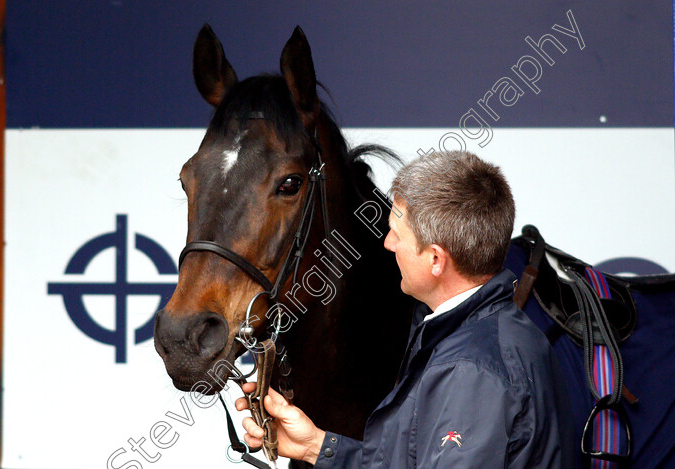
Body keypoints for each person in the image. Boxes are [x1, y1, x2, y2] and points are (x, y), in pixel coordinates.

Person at [235, 150, 573, 468]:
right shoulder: (486, 333)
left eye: (398, 233)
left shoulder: (471, 370)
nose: (388, 243)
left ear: (436, 260)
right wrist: (316, 447)